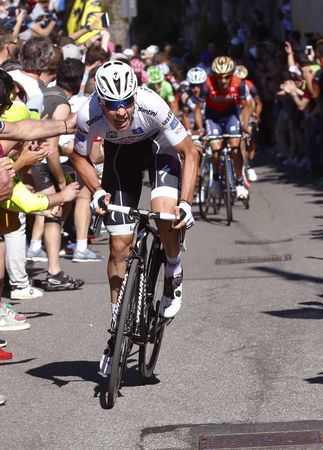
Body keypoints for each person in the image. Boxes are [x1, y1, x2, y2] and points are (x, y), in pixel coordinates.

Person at [70, 61, 198, 374]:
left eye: (127, 102)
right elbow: (78, 155)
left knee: (165, 212)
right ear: (100, 101)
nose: (121, 111)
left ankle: (173, 268)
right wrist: (97, 190)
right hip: (121, 157)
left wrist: (185, 203)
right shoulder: (88, 113)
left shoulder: (152, 104)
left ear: (135, 95)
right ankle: (117, 323)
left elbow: (190, 152)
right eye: (112, 105)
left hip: (159, 150)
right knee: (118, 245)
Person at [194, 56, 251, 200]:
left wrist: (245, 126)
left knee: (235, 148)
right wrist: (200, 129)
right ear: (214, 76)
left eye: (226, 77)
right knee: (216, 150)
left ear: (231, 75)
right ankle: (216, 179)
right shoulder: (206, 85)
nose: (223, 81)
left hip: (230, 115)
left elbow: (245, 107)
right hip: (213, 117)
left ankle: (239, 181)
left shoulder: (239, 83)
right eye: (219, 77)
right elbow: (198, 109)